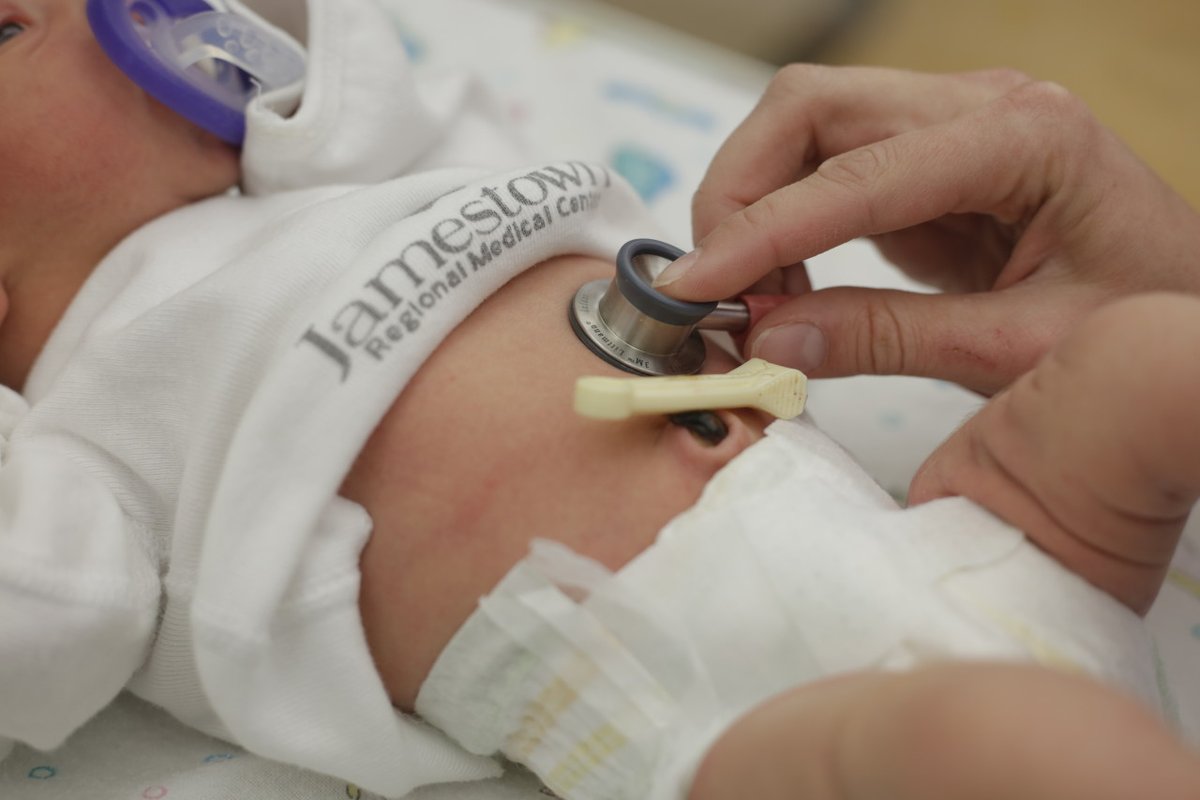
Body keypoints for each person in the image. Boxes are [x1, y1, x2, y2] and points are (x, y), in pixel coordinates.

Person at [0, 3, 1192, 797]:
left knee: (1156, 352)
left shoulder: (344, 168)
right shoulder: (88, 423)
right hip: (740, 713)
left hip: (981, 525)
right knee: (1002, 741)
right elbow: (44, 621)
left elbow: (361, 69)